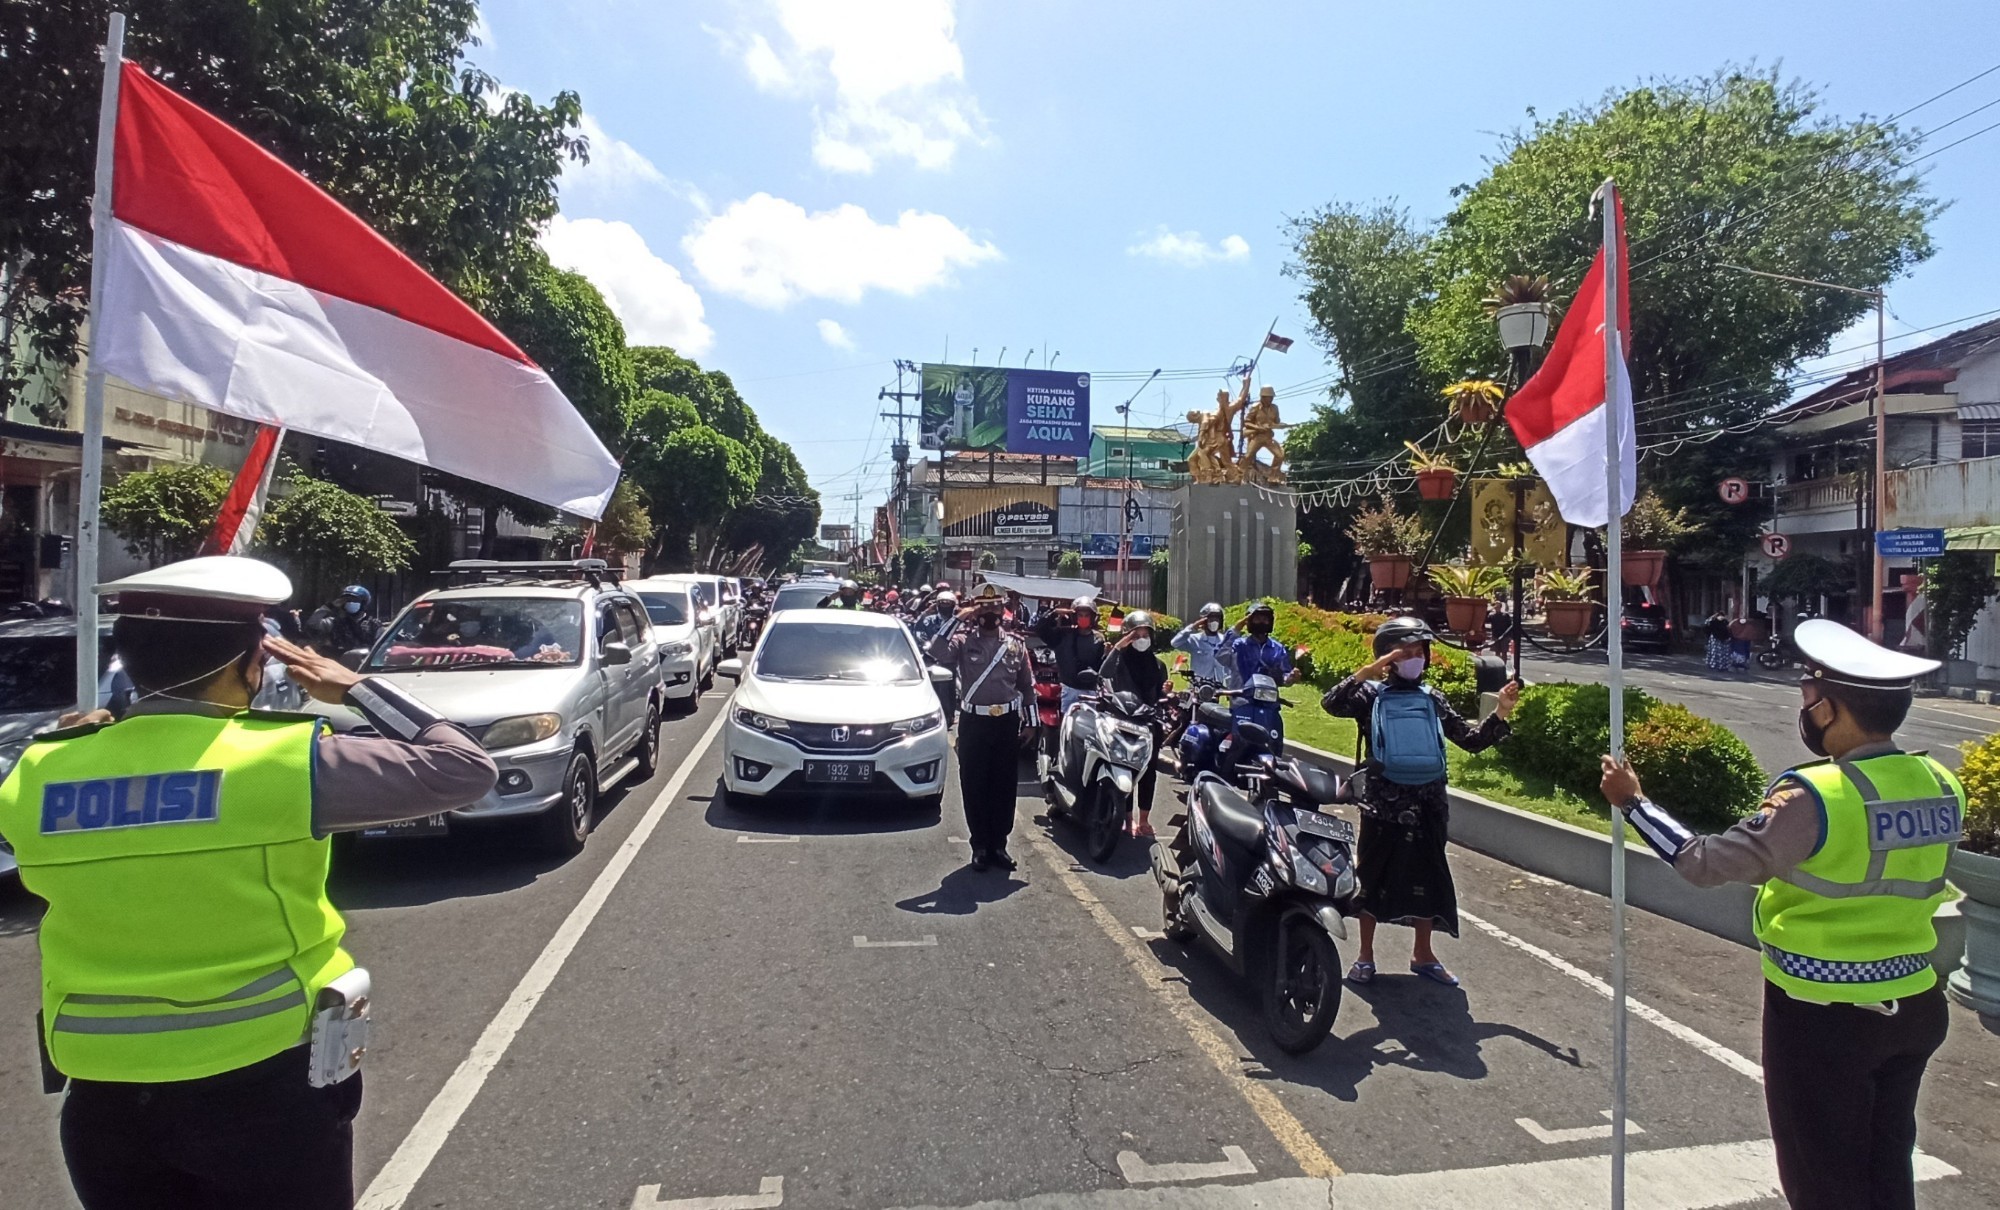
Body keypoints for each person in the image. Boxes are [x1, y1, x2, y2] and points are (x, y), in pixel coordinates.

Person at [0, 555, 498, 1210]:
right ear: (250, 665)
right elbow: (464, 767)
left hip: (103, 1101)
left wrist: (90, 738)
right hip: (263, 1093)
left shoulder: (41, 772)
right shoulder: (286, 761)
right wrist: (355, 687)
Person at [1599, 619, 1961, 1210]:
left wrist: (1633, 804)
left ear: (1831, 708)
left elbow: (1703, 862)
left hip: (1825, 1013)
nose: (1805, 708)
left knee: (1822, 1177)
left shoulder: (1815, 795)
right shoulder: (1940, 781)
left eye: (1808, 696)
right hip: (1915, 1002)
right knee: (1886, 1163)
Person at [1320, 616, 1518, 987]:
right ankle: (1365, 956)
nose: (1415, 659)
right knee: (1372, 879)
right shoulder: (1370, 695)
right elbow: (1330, 702)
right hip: (1383, 804)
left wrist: (1501, 711)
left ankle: (1423, 954)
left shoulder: (1432, 698)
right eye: (1405, 652)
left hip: (1428, 803)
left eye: (1419, 652)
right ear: (1388, 657)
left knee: (1429, 878)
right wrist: (1368, 671)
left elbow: (1470, 741)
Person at [927, 583, 1034, 872]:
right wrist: (959, 617)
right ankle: (980, 846)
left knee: (1003, 784)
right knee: (975, 785)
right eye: (983, 607)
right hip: (975, 722)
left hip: (1006, 723)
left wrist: (1032, 724)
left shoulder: (1015, 644)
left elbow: (1027, 686)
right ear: (975, 609)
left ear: (1003, 609)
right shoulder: (963, 641)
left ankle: (999, 845)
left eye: (995, 607)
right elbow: (936, 651)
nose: (990, 613)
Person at [1098, 609, 1169, 838]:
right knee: (1125, 765)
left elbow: (1159, 695)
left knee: (1148, 771)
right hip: (1123, 721)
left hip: (1149, 723)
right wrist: (1119, 646)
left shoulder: (1158, 665)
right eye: (1135, 635)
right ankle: (1126, 819)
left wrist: (1166, 692)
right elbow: (1103, 673)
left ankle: (1144, 820)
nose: (1141, 640)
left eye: (1145, 635)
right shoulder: (1119, 661)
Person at [1033, 595, 1108, 712]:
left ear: (1093, 617)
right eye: (1080, 615)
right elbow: (1040, 629)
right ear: (1074, 616)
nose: (1083, 618)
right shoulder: (1062, 635)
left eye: (1087, 615)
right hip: (1068, 690)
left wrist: (1108, 654)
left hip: (1090, 692)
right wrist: (1053, 613)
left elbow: (1102, 667)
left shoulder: (1099, 639)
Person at [1171, 602, 1241, 690]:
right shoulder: (1194, 639)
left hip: (1217, 689)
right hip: (1197, 687)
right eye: (1211, 618)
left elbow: (1228, 666)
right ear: (1204, 621)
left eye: (1217, 618)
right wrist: (1193, 627)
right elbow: (1175, 643)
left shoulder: (1224, 641)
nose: (1214, 621)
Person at [304, 585, 379, 658]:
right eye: (346, 600)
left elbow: (381, 648)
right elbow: (312, 623)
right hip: (338, 664)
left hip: (363, 665)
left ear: (363, 604)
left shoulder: (374, 625)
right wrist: (330, 606)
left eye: (353, 600)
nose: (349, 602)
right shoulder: (335, 622)